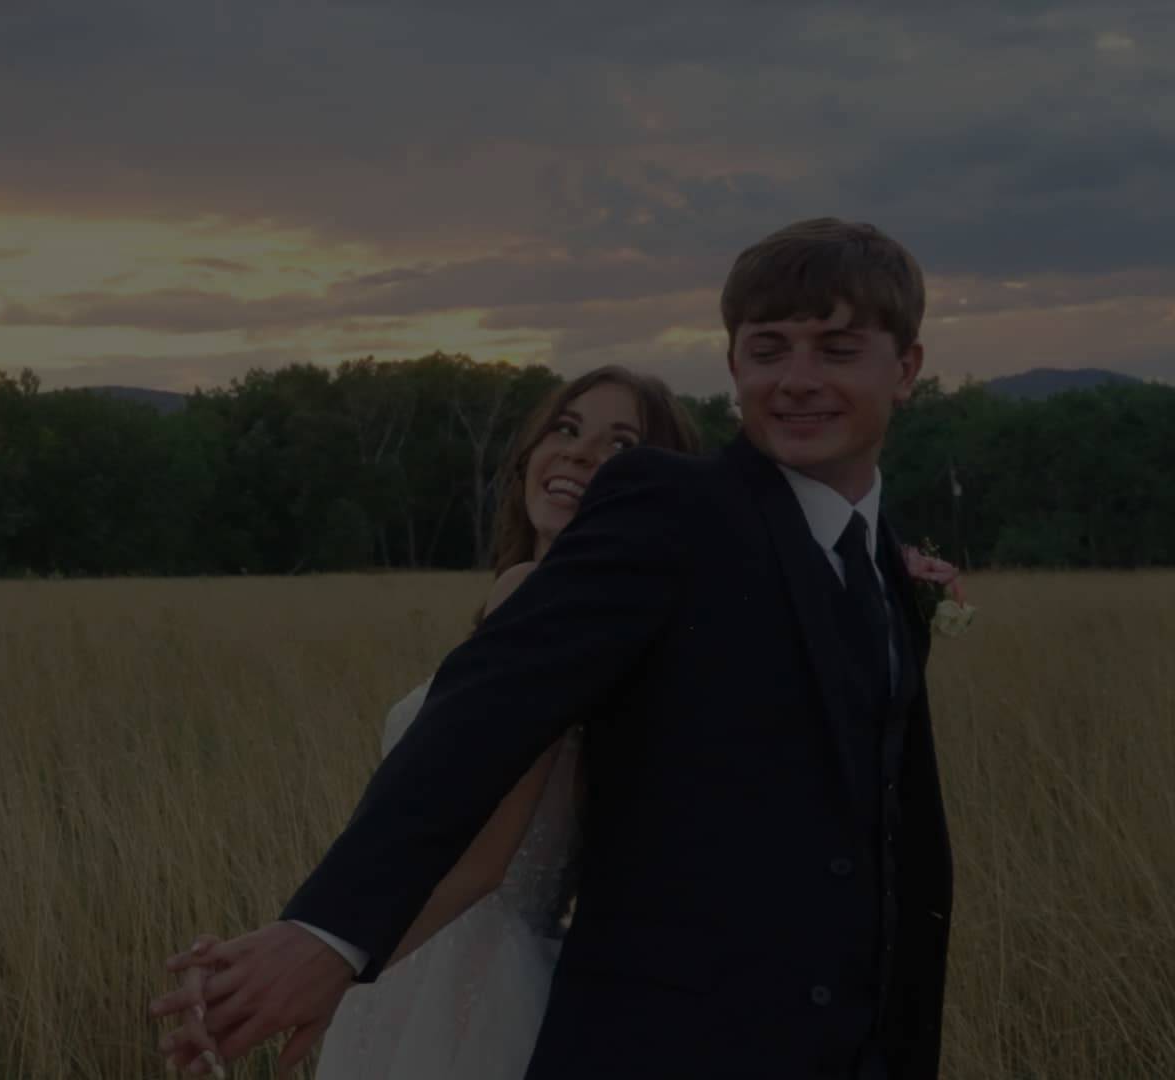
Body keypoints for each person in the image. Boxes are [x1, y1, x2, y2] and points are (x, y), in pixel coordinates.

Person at [152, 217, 954, 1080]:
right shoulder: (672, 508)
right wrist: (330, 935)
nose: (796, 380)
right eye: (767, 350)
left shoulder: (888, 572)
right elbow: (488, 710)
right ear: (732, 365)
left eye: (837, 350)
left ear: (906, 368)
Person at [302, 367, 701, 1079]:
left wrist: (331, 964)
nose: (579, 452)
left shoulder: (532, 594)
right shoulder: (604, 627)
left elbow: (483, 862)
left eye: (621, 446)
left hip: (456, 973)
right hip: (471, 963)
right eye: (566, 428)